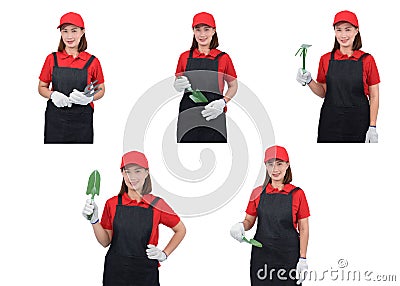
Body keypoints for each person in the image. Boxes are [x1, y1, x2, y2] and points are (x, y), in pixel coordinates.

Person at [82, 151, 186, 286]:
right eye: (128, 171)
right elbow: (105, 242)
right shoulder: (112, 203)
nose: (132, 177)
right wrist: (94, 220)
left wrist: (164, 254)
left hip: (146, 274)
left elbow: (181, 229)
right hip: (116, 274)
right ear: (122, 173)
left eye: (138, 171)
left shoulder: (157, 204)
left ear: (146, 173)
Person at [230, 146, 310, 285]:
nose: (275, 169)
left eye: (279, 163)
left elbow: (303, 228)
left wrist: (302, 259)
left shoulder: (298, 194)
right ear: (265, 166)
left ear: (287, 165)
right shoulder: (257, 193)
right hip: (262, 256)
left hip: (289, 256)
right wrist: (240, 226)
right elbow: (249, 220)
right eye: (270, 164)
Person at [296, 10, 380, 143]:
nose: (343, 35)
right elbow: (323, 92)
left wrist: (373, 126)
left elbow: (374, 95)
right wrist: (309, 81)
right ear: (334, 31)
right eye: (339, 30)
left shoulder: (367, 60)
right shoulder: (325, 59)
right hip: (330, 123)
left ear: (356, 31)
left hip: (358, 122)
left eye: (348, 29)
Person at [39, 12, 105, 143]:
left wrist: (89, 98)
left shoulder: (92, 61)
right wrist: (53, 95)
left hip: (82, 122)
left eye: (74, 31)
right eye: (65, 31)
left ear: (82, 32)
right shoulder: (52, 59)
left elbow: (101, 89)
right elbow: (41, 87)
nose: (69, 36)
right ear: (61, 34)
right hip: (55, 121)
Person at [174, 12, 238, 143]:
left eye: (206, 29)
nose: (202, 34)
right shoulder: (184, 57)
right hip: (188, 115)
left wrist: (223, 102)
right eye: (198, 29)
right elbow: (178, 81)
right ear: (193, 31)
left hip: (214, 113)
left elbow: (233, 85)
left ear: (214, 31)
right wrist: (177, 85)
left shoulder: (223, 58)